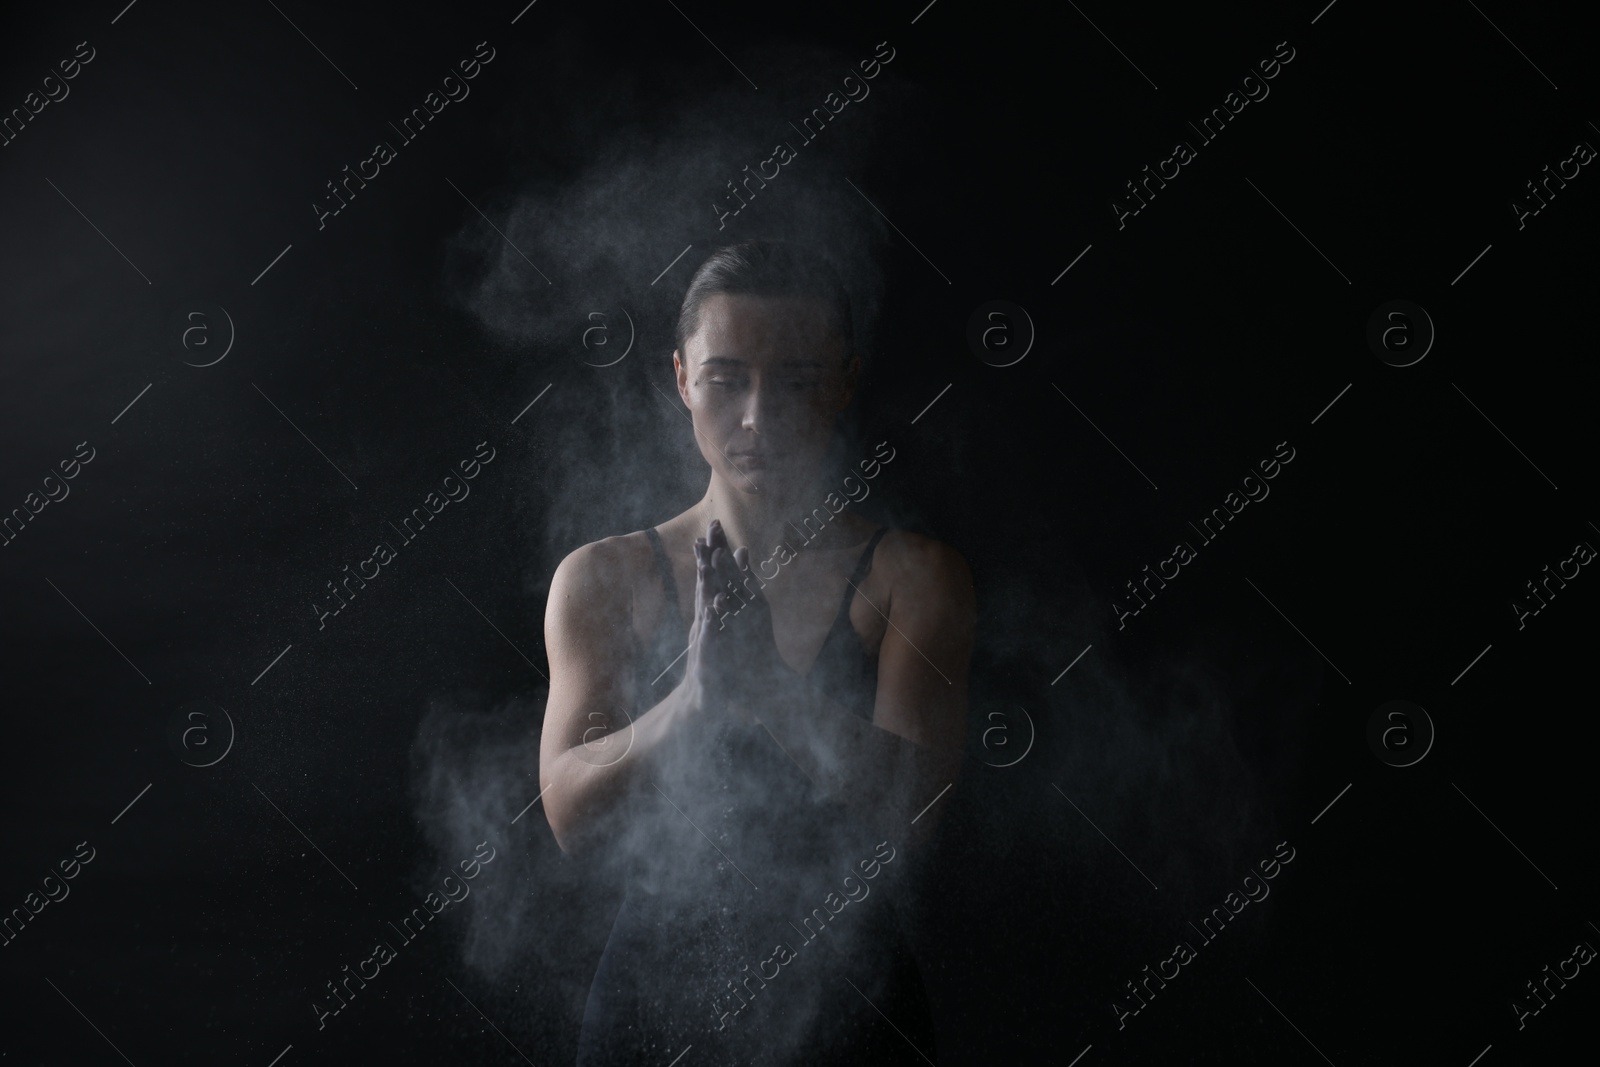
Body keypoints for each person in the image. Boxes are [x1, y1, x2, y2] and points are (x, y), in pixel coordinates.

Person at [539, 240, 975, 1065]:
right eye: (726, 377)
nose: (757, 416)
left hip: (855, 1005)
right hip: (650, 1009)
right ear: (680, 378)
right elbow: (570, 815)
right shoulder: (603, 577)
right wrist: (694, 699)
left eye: (798, 381)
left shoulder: (912, 577)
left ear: (844, 382)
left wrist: (777, 694)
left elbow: (915, 816)